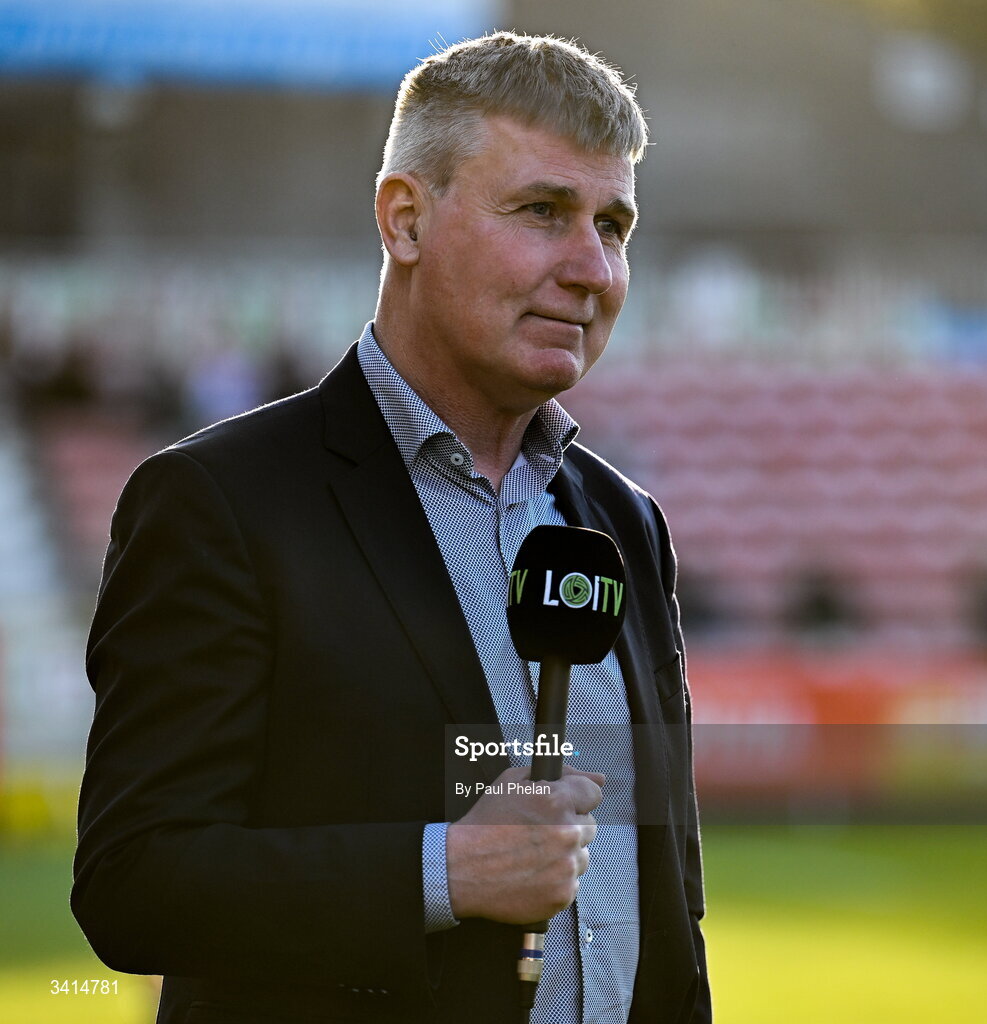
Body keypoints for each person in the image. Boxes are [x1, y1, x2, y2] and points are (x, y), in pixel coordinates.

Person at [72, 32, 710, 1024]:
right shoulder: (220, 503)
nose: (592, 267)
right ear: (405, 220)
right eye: (544, 210)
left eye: (614, 224)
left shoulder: (625, 521)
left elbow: (669, 899)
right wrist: (446, 868)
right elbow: (136, 879)